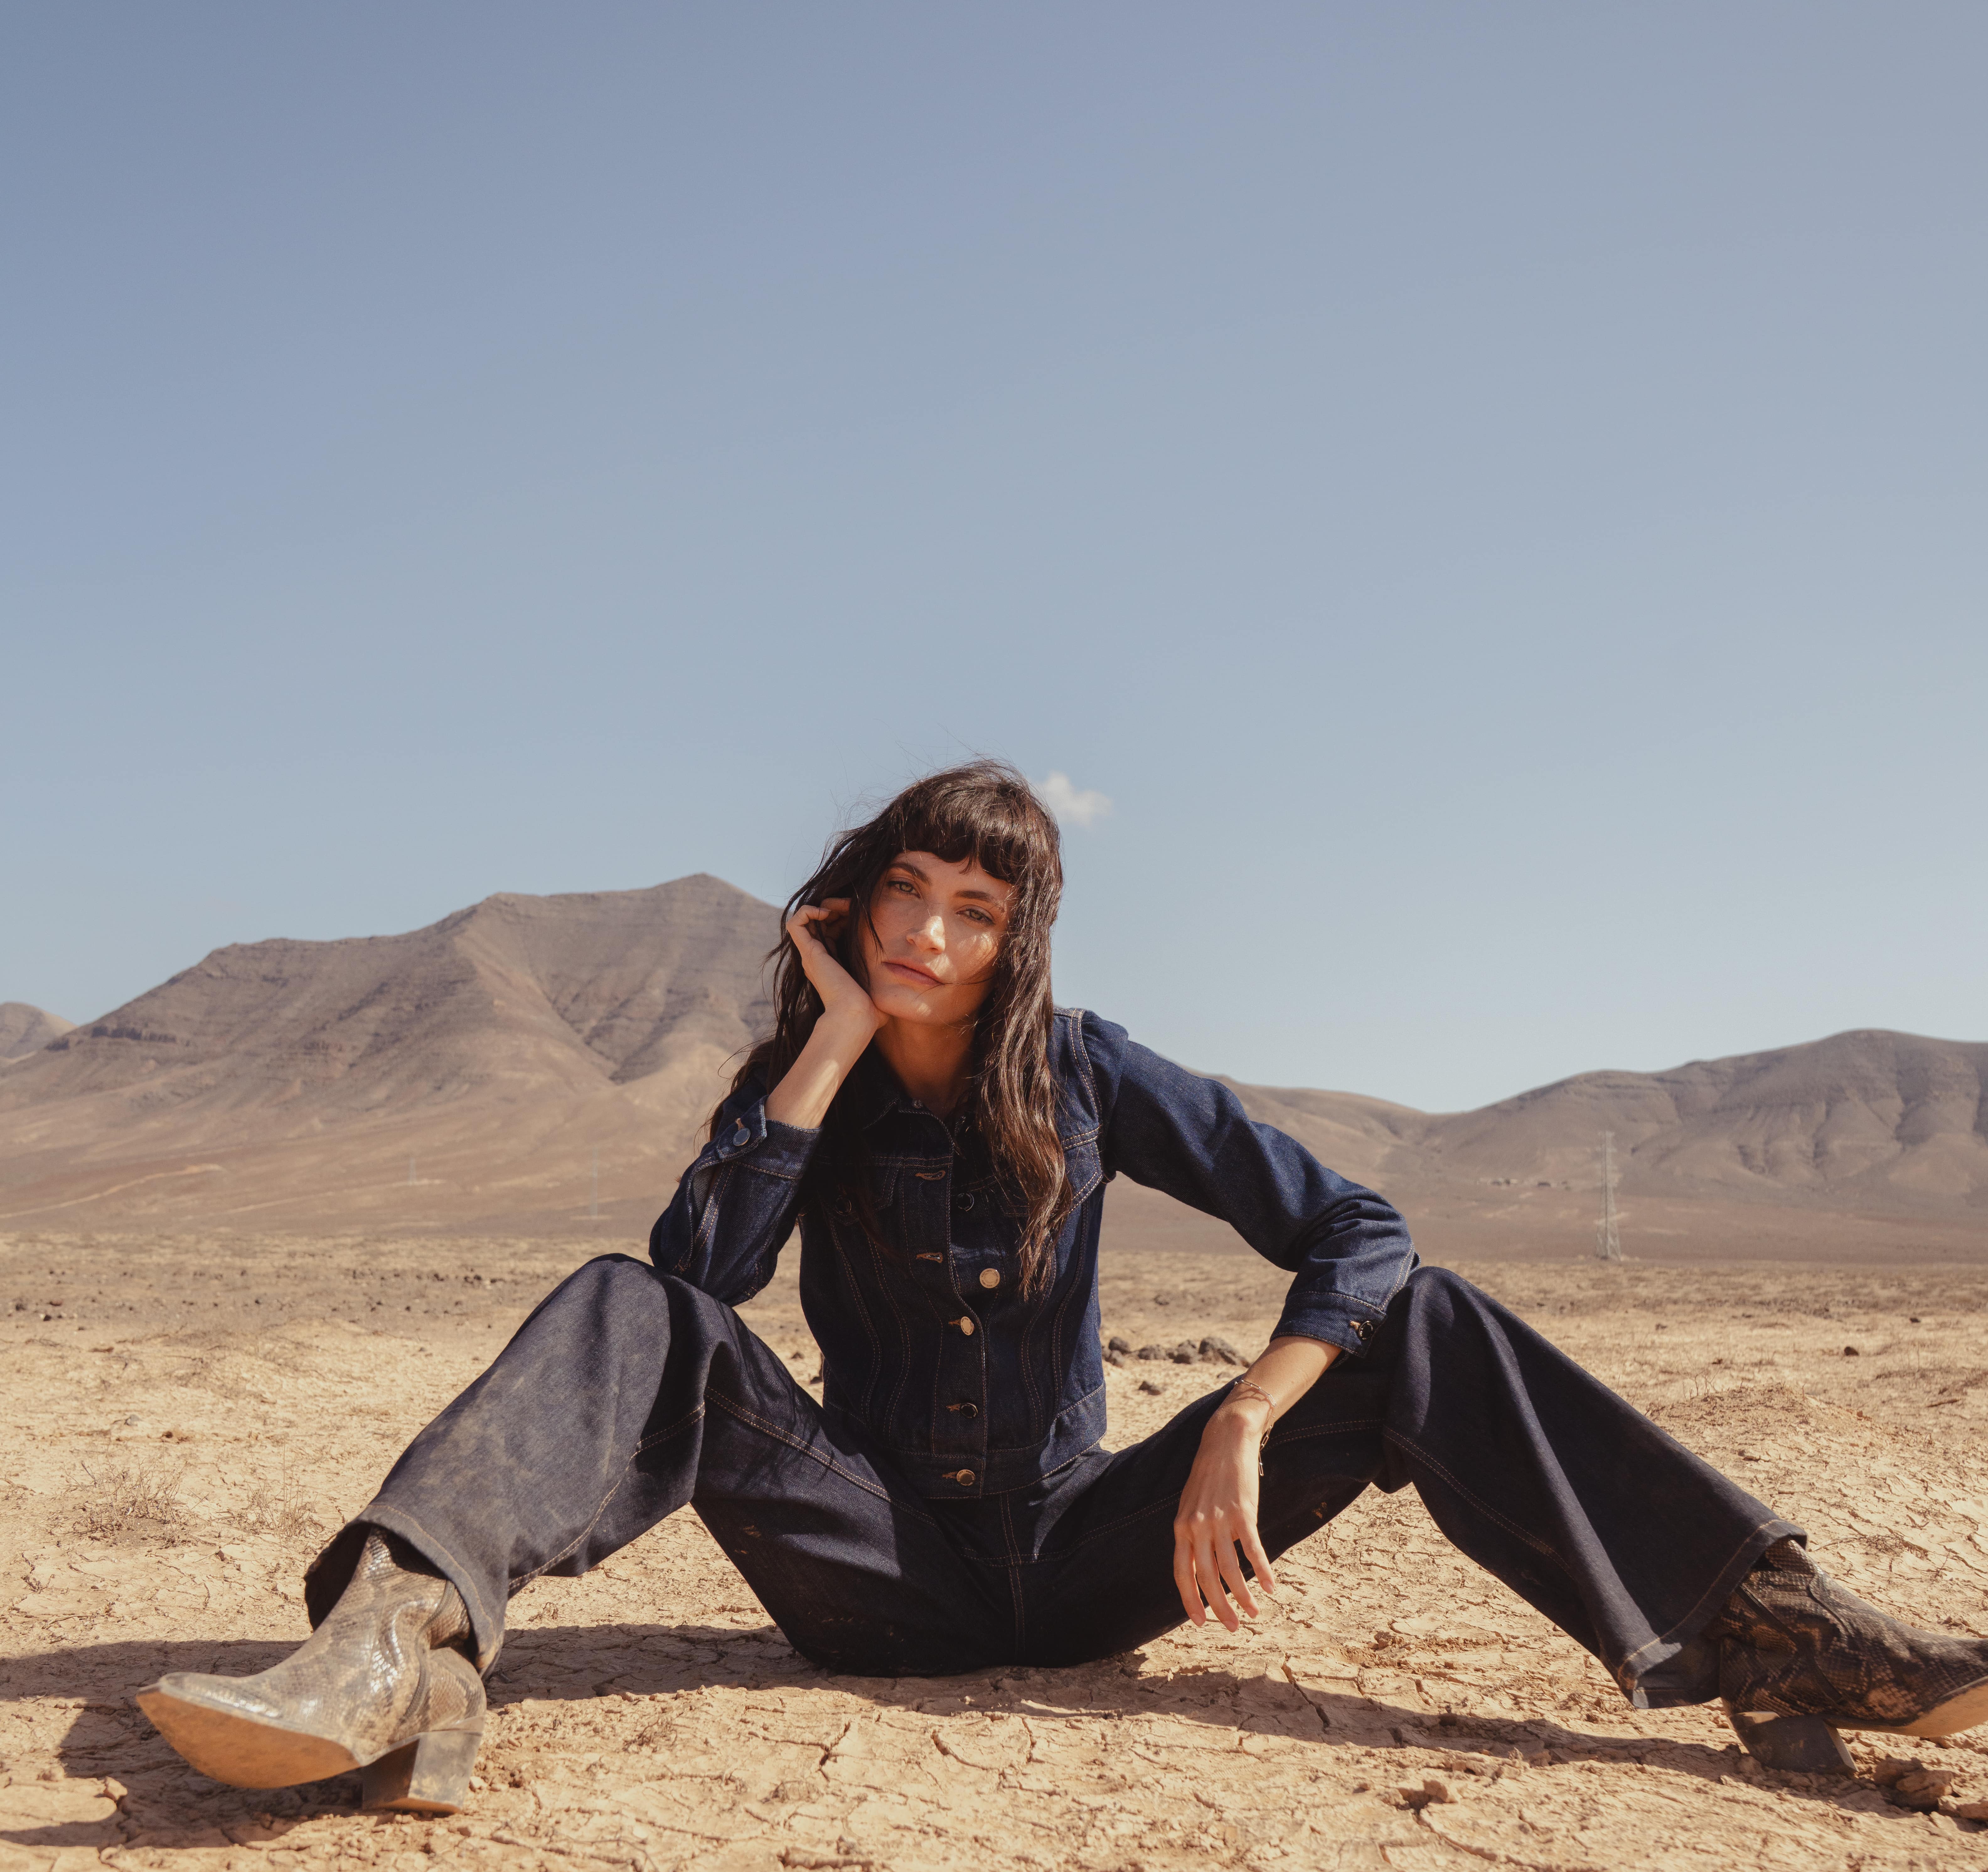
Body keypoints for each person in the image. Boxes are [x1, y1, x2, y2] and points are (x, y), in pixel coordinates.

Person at [139, 762, 1988, 1813]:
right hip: (879, 1573)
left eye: (977, 914)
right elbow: (695, 1289)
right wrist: (826, 1053)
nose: (932, 939)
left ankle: (1779, 1636)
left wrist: (1244, 1424)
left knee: (1426, 1325)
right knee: (627, 1303)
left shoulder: (1090, 1075)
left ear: (1020, 938)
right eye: (907, 900)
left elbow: (1361, 1232)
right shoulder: (821, 1073)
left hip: (1088, 1551)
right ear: (855, 908)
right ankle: (395, 1640)